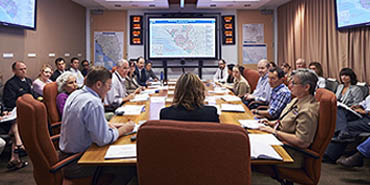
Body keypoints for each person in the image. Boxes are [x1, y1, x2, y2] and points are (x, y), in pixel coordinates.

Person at [59, 66, 136, 183]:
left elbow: (87, 123)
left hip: (65, 157)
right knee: (130, 168)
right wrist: (124, 129)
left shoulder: (76, 94)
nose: (109, 89)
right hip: (78, 162)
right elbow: (103, 139)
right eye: (109, 86)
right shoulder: (93, 102)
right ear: (99, 84)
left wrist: (109, 126)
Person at [258, 68, 319, 168]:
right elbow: (287, 120)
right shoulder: (297, 99)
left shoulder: (307, 110)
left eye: (294, 83)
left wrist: (275, 132)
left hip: (290, 153)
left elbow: (302, 141)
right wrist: (272, 123)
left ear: (306, 87)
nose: (290, 86)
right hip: (281, 142)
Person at [323, 94, 370, 163]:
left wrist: (366, 112)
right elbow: (364, 103)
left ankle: (330, 155)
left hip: (368, 119)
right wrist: (358, 106)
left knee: (345, 126)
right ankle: (343, 132)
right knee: (339, 114)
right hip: (363, 116)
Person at [2, 61, 30, 170]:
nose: (24, 71)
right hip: (15, 111)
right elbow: (9, 102)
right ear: (14, 71)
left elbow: (32, 95)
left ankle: (15, 158)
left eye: (25, 68)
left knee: (13, 130)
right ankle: (19, 146)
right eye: (21, 69)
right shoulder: (11, 84)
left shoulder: (28, 81)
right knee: (15, 122)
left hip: (23, 112)